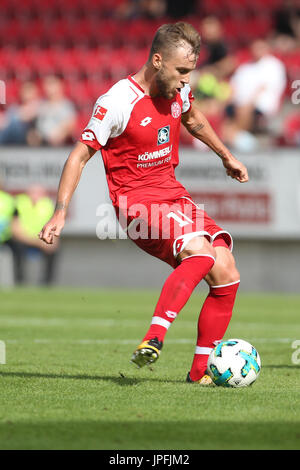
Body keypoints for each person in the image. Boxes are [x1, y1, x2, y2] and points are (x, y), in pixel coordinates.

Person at [39, 22, 248, 385]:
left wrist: (225, 156)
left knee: (226, 269)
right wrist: (60, 212)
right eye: (181, 71)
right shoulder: (117, 101)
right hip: (136, 203)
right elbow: (78, 156)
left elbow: (193, 120)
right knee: (199, 253)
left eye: (191, 72)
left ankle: (199, 373)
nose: (186, 80)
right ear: (156, 60)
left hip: (172, 194)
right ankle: (155, 336)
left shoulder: (178, 92)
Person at [11, 185, 59, 285]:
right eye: (33, 193)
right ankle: (20, 282)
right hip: (24, 240)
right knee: (17, 248)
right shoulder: (19, 204)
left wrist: (52, 241)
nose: (36, 196)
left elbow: (53, 228)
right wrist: (38, 242)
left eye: (39, 194)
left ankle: (47, 283)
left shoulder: (48, 205)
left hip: (41, 239)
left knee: (53, 250)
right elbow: (16, 231)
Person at [27, 75, 77, 147]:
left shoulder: (66, 105)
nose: (48, 88)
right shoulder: (42, 104)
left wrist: (59, 134)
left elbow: (70, 125)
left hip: (58, 144)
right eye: (47, 85)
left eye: (51, 85)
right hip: (41, 142)